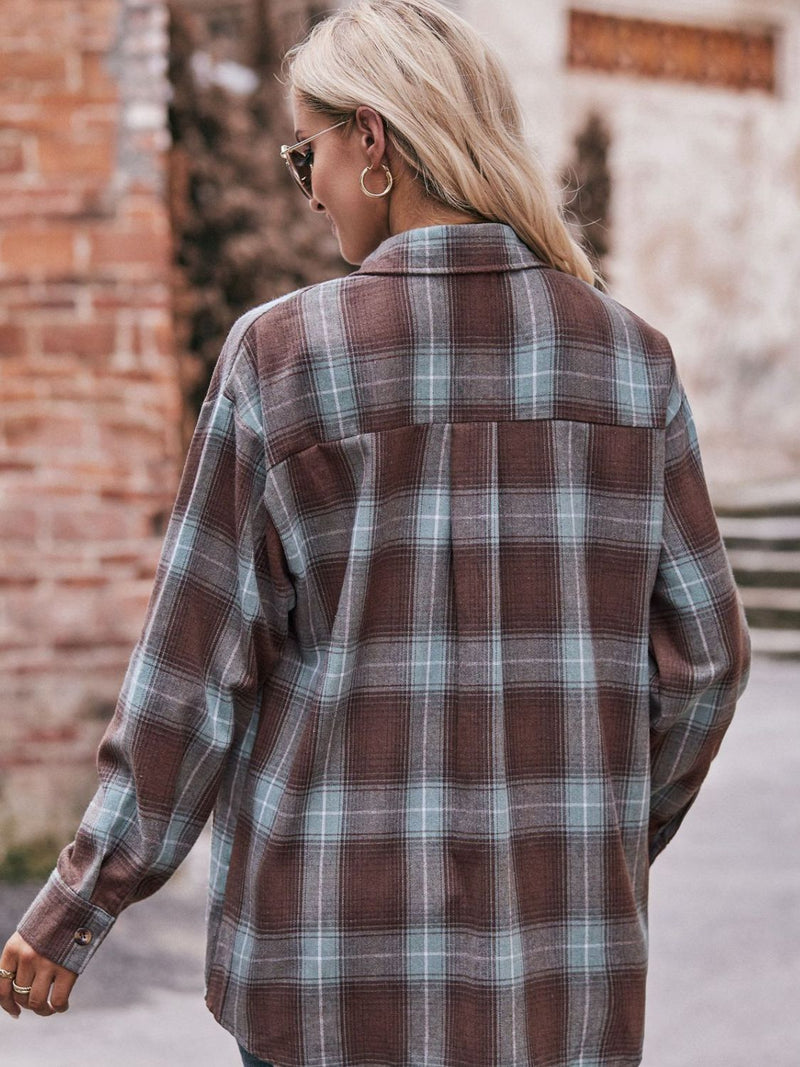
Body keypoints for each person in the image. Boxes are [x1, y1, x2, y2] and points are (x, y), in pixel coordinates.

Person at [0, 1, 751, 1064]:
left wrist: (79, 901)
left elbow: (191, 679)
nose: (305, 193)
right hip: (556, 987)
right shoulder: (628, 363)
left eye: (306, 155)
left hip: (324, 987)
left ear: (375, 143)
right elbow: (708, 663)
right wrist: (595, 844)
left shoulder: (280, 360)